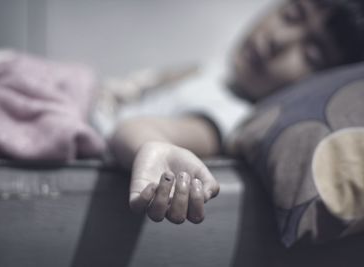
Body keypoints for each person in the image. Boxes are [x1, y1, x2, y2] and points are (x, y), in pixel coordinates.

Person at [108, 0, 364, 224]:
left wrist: (154, 148)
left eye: (312, 54)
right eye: (292, 15)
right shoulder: (216, 75)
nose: (280, 40)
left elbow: (141, 130)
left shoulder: (230, 114)